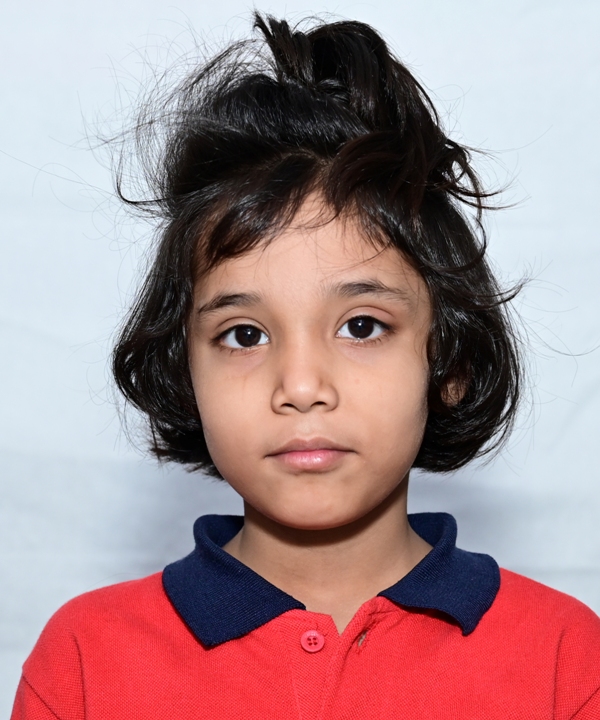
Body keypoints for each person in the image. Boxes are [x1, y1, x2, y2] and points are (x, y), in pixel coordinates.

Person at [11, 13, 600, 719]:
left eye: (361, 327)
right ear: (185, 374)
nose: (300, 386)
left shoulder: (565, 659)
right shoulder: (85, 660)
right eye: (244, 335)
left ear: (449, 362)